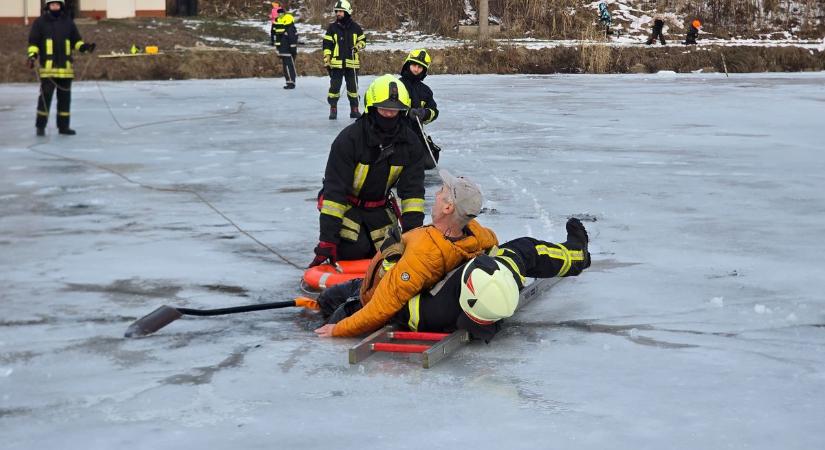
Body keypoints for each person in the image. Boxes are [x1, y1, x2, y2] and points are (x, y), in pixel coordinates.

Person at [314, 169, 499, 338]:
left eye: (441, 191)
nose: (436, 194)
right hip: (370, 284)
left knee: (325, 322)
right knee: (326, 299)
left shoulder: (423, 256)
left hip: (370, 301)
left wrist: (337, 329)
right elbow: (492, 240)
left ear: (448, 208)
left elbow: (381, 308)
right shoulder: (474, 233)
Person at [388, 218, 591, 342]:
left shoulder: (430, 312)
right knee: (526, 250)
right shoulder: (501, 277)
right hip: (492, 290)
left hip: (468, 303)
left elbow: (391, 293)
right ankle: (577, 255)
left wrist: (391, 258)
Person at [310, 74, 427, 268]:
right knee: (354, 250)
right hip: (349, 209)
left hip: (380, 212)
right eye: (384, 109)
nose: (390, 114)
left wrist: (412, 237)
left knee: (390, 255)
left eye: (395, 110)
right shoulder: (350, 139)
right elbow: (334, 193)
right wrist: (327, 241)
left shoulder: (410, 143)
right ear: (372, 108)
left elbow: (413, 193)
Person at [27, 0, 95, 136]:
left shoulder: (68, 22)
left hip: (65, 69)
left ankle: (64, 127)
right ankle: (40, 127)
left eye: (57, 5)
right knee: (45, 99)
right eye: (52, 5)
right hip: (48, 70)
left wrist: (84, 47)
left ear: (61, 6)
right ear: (48, 6)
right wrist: (32, 55)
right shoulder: (40, 22)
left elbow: (76, 41)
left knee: (65, 100)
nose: (55, 7)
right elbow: (33, 42)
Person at [322, 0, 366, 120]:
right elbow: (326, 45)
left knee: (353, 88)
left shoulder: (356, 28)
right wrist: (327, 58)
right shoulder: (332, 28)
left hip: (352, 64)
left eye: (341, 11)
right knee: (334, 88)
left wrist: (357, 47)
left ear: (347, 12)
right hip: (336, 64)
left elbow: (363, 41)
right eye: (337, 11)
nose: (338, 14)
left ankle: (354, 109)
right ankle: (333, 109)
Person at [399, 48, 441, 169]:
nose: (416, 69)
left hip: (416, 133)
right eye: (414, 65)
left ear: (424, 70)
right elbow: (388, 109)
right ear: (408, 64)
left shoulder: (426, 91)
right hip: (397, 131)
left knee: (429, 161)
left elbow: (434, 111)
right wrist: (407, 112)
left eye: (420, 67)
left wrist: (425, 113)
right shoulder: (397, 85)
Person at [273, 6, 298, 89]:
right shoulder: (289, 28)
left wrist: (292, 50)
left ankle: (291, 82)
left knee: (288, 66)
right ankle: (289, 82)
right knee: (287, 67)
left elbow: (292, 40)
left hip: (286, 50)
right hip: (285, 50)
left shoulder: (289, 29)